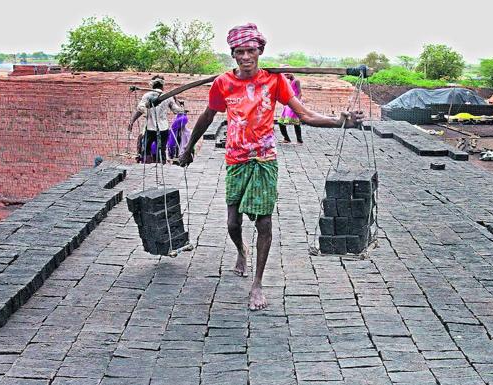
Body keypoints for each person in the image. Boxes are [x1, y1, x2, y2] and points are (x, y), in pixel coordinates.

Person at [179, 23, 363, 311]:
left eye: (251, 51)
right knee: (232, 222)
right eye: (239, 52)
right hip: (236, 160)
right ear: (233, 54)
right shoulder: (223, 84)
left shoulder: (274, 81)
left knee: (264, 223)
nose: (245, 57)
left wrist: (340, 122)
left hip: (265, 160)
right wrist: (188, 147)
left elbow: (304, 115)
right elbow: (206, 117)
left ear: (260, 51)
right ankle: (241, 250)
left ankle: (257, 284)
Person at [128, 76, 184, 163]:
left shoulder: (147, 95)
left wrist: (132, 121)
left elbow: (140, 108)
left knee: (146, 149)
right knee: (161, 150)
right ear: (162, 86)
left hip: (150, 128)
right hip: (163, 128)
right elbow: (176, 110)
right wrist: (178, 103)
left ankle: (147, 165)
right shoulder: (168, 97)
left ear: (152, 85)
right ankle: (162, 165)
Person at [278, 66, 303, 143]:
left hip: (295, 102)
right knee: (281, 122)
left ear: (291, 73)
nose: (286, 76)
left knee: (296, 122)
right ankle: (287, 138)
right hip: (289, 103)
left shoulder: (296, 81)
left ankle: (299, 140)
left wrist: (297, 103)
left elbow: (300, 93)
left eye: (288, 74)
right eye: (285, 75)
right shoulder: (289, 82)